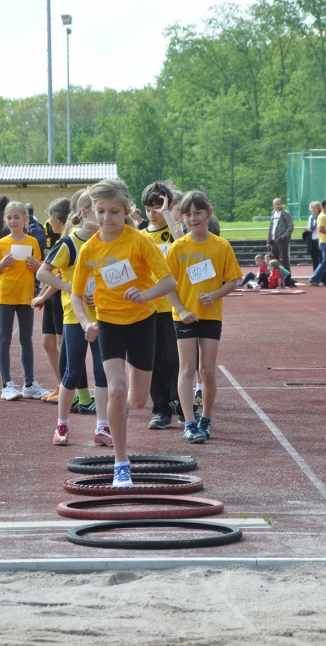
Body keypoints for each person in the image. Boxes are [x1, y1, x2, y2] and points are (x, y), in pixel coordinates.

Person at [71, 178, 176, 488]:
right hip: (109, 324)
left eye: (114, 212)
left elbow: (168, 282)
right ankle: (121, 463)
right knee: (116, 390)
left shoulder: (138, 241)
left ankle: (120, 412)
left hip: (143, 321)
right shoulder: (90, 249)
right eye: (101, 212)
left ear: (126, 211)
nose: (107, 219)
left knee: (138, 400)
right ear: (90, 212)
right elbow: (77, 294)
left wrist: (145, 295)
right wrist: (85, 322)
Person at [166, 190, 242, 444]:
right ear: (182, 219)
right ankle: (189, 421)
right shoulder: (177, 248)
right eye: (187, 214)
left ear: (208, 214)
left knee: (207, 370)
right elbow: (167, 285)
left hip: (211, 315)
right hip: (184, 316)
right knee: (187, 368)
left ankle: (206, 418)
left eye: (198, 213)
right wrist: (182, 310)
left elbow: (233, 280)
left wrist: (215, 294)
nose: (193, 218)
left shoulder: (221, 246)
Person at [35, 191, 110, 446]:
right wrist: (72, 289)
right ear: (84, 212)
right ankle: (62, 425)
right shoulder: (68, 244)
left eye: (107, 211)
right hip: (74, 318)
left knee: (102, 373)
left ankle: (102, 426)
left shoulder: (107, 241)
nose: (103, 217)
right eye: (98, 210)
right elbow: (43, 274)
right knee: (73, 372)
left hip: (103, 317)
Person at [0, 201, 49, 401]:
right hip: (5, 296)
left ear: (25, 218)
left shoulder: (32, 242)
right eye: (9, 217)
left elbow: (41, 270)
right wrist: (2, 265)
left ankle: (29, 384)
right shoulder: (1, 243)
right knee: (4, 339)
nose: (13, 221)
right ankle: (6, 385)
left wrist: (37, 265)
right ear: (5, 220)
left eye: (17, 217)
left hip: (25, 296)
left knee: (26, 340)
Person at [140, 181, 184, 429]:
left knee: (175, 358)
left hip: (174, 306)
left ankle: (181, 402)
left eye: (158, 207)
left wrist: (168, 213)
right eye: (149, 208)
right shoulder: (140, 235)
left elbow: (181, 244)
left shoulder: (173, 231)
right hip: (149, 307)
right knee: (154, 359)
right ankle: (161, 410)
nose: (153, 213)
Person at [38, 198, 71, 404]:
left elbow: (59, 277)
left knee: (62, 344)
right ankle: (61, 384)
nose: (48, 222)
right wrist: (43, 295)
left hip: (60, 296)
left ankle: (69, 389)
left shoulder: (68, 242)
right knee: (48, 343)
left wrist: (43, 295)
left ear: (57, 218)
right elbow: (48, 272)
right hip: (50, 296)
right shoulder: (58, 241)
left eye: (50, 217)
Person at [267, 198, 294, 273]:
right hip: (273, 240)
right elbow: (271, 228)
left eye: (278, 204)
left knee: (284, 260)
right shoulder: (273, 213)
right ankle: (275, 277)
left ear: (281, 204)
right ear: (273, 205)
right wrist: (269, 240)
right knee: (274, 261)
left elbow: (290, 226)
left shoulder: (286, 213)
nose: (277, 206)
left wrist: (284, 236)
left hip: (282, 240)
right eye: (275, 204)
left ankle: (288, 278)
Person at [309, 198, 326, 286]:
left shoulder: (322, 215)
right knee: (324, 261)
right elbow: (321, 229)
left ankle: (315, 278)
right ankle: (314, 278)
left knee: (324, 261)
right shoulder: (323, 216)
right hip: (324, 242)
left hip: (322, 241)